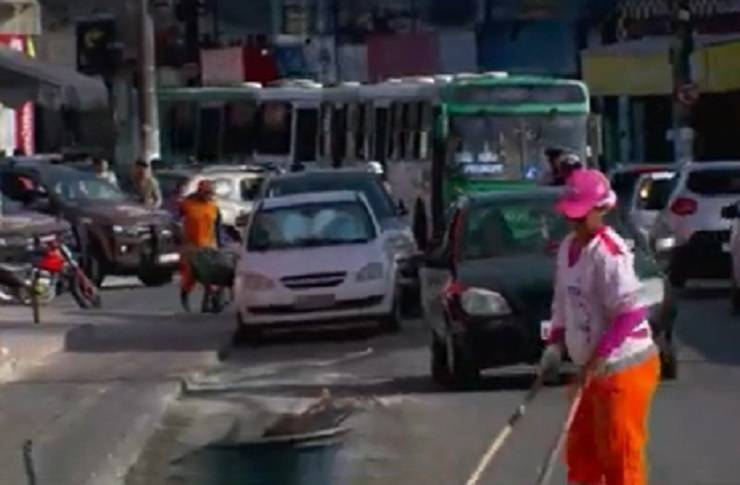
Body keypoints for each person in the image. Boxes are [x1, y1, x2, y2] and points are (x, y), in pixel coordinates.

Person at [540, 169, 659, 485]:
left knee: (620, 456)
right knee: (582, 454)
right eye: (572, 219)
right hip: (588, 367)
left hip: (623, 367)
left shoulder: (609, 253)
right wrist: (555, 343)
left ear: (601, 210)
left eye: (582, 218)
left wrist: (599, 358)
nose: (576, 225)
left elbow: (632, 312)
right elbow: (562, 301)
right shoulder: (567, 248)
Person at [179, 180, 222, 312]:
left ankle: (210, 302)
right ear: (199, 192)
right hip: (191, 247)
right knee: (190, 276)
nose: (209, 196)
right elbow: (176, 220)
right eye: (207, 193)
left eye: (211, 193)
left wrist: (219, 245)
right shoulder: (187, 205)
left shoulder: (214, 207)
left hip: (209, 246)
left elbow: (218, 228)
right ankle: (184, 298)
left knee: (212, 275)